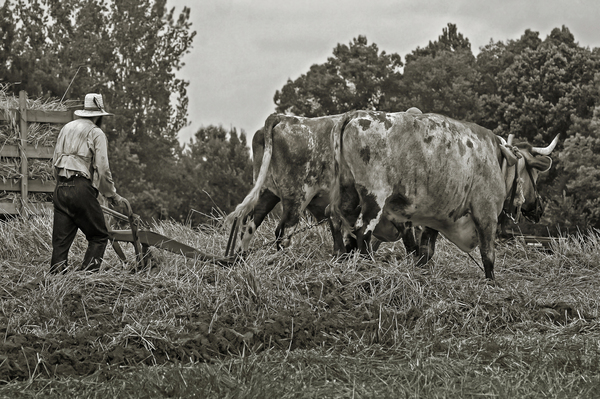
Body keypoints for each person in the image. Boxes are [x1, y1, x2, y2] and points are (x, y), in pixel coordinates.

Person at [50, 93, 124, 273]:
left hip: (60, 188)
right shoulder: (96, 132)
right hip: (80, 188)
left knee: (60, 244)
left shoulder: (67, 128)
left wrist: (61, 185)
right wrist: (111, 194)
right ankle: (87, 279)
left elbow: (54, 162)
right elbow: (103, 168)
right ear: (98, 114)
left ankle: (55, 281)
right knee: (99, 235)